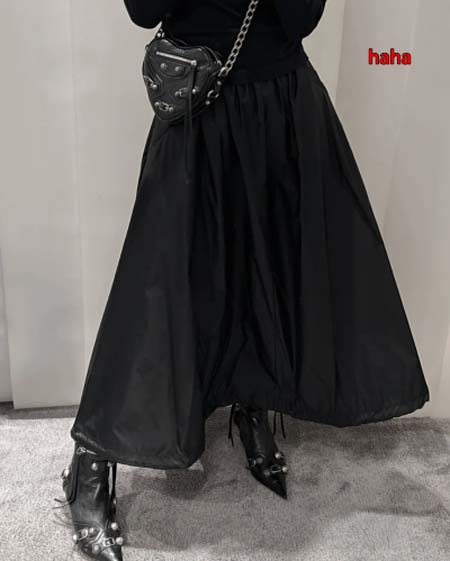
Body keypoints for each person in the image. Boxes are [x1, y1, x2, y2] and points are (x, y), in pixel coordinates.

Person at [53, 1, 430, 560]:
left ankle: (253, 400)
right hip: (197, 108)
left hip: (282, 104)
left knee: (266, 265)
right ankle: (90, 459)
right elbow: (143, 10)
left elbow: (302, 18)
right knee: (154, 280)